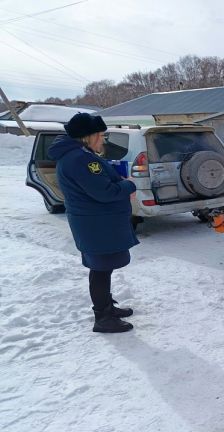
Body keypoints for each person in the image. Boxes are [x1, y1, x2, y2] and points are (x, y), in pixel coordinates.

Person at [48, 113, 138, 333]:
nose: (103, 140)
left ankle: (106, 307)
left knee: (102, 267)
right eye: (100, 135)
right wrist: (128, 186)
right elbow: (104, 192)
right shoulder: (81, 159)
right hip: (96, 224)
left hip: (93, 222)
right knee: (100, 269)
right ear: (87, 137)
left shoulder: (77, 155)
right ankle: (103, 317)